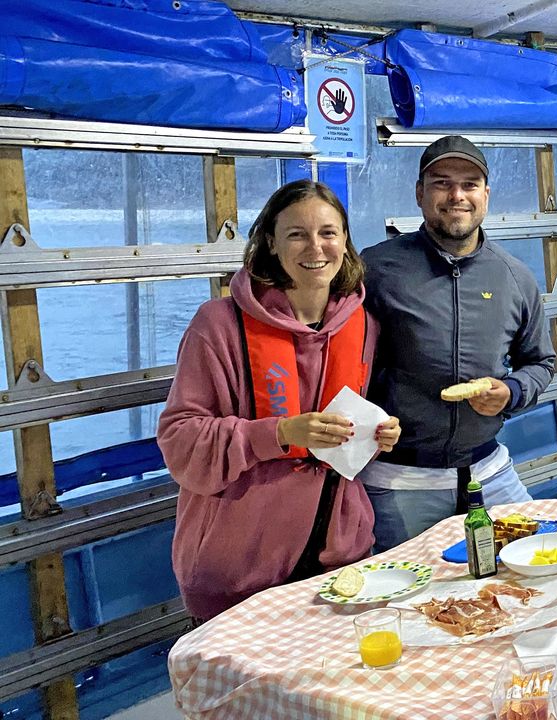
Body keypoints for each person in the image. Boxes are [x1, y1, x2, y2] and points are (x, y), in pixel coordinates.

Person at [158, 180, 401, 622]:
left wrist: (378, 433)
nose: (316, 247)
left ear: (345, 240)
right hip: (240, 569)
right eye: (296, 234)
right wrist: (280, 432)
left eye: (329, 232)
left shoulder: (362, 326)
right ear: (270, 241)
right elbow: (179, 440)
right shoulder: (218, 325)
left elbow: (351, 429)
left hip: (338, 559)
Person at [359, 135, 556, 552]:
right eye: (441, 183)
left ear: (486, 195)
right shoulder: (374, 269)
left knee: (542, 564)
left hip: (490, 471)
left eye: (469, 184)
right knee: (408, 604)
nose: (456, 196)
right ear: (419, 193)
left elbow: (541, 360)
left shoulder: (514, 276)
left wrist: (512, 391)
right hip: (400, 481)